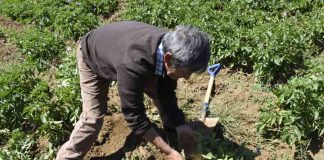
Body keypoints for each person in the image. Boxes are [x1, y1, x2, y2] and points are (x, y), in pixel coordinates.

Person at [56, 21, 211, 160]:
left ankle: (173, 133)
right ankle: (67, 157)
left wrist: (180, 125)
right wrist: (167, 152)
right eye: (186, 72)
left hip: (117, 51)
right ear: (168, 59)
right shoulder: (133, 64)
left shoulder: (168, 46)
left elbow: (166, 92)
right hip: (92, 56)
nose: (188, 78)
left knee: (160, 91)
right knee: (93, 118)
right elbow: (133, 115)